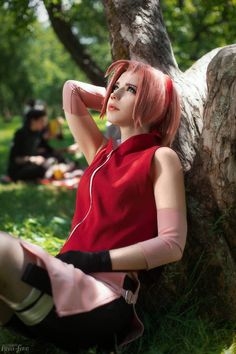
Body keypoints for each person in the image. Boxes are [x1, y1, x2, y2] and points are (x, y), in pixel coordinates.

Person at [0, 60, 187, 351]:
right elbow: (71, 91)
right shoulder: (102, 154)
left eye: (130, 89)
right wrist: (121, 95)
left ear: (152, 103)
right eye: (115, 86)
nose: (114, 94)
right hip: (63, 278)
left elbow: (172, 244)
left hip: (105, 298)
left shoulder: (160, 157)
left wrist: (95, 260)